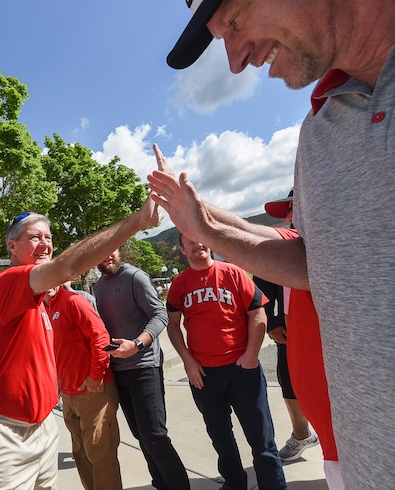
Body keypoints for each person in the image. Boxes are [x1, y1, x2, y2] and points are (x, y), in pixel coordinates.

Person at [160, 2, 395, 486]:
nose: (234, 60)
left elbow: (259, 308)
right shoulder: (321, 130)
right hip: (360, 458)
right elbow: (313, 258)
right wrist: (199, 219)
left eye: (234, 20)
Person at [0, 198, 162, 490]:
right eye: (34, 237)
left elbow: (95, 339)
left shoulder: (48, 302)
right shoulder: (8, 281)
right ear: (12, 247)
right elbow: (67, 266)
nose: (44, 244)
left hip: (42, 424)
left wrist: (92, 377)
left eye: (48, 237)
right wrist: (136, 222)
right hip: (6, 429)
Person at [166, 234, 286, 490]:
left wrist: (251, 356)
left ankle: (274, 486)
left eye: (200, 238)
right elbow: (173, 326)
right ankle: (234, 483)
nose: (197, 243)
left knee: (261, 439)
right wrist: (187, 361)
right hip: (203, 375)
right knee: (220, 437)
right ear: (182, 250)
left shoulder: (233, 273)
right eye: (189, 241)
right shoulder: (179, 284)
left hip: (242, 369)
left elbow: (258, 314)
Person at [95, 248, 190, 490]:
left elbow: (160, 315)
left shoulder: (135, 277)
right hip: (119, 371)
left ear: (119, 250)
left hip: (144, 366)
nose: (108, 255)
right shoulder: (99, 286)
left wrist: (137, 344)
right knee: (140, 436)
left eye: (112, 250)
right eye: (102, 252)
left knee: (155, 437)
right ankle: (161, 483)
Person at [253, 192, 319, 461]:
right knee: (290, 383)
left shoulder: (329, 238)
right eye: (289, 210)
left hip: (331, 330)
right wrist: (274, 323)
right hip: (292, 329)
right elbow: (262, 284)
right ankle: (302, 435)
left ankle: (342, 443)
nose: (291, 215)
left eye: (296, 208)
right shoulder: (281, 245)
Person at [44, 284, 122, 490]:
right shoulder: (44, 309)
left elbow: (101, 339)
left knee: (101, 457)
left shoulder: (73, 301)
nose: (47, 284)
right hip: (69, 395)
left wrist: (95, 377)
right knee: (81, 454)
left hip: (93, 392)